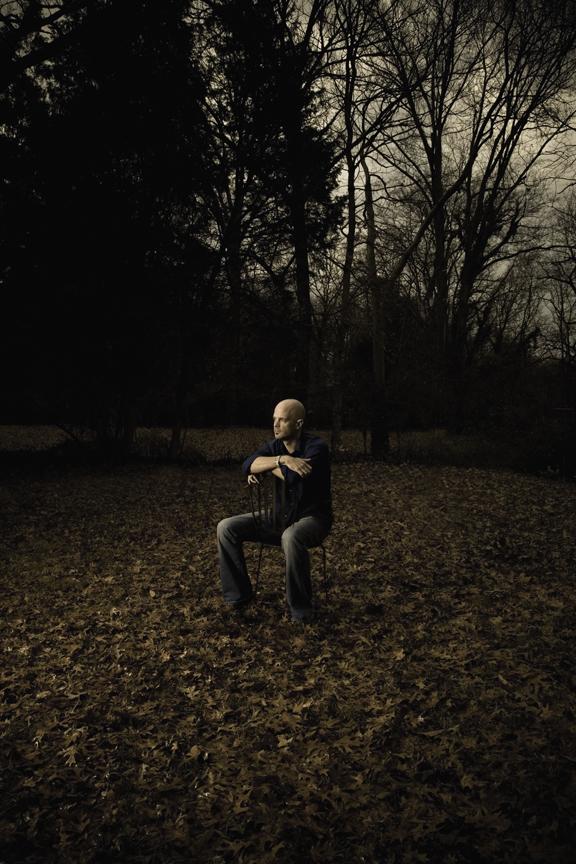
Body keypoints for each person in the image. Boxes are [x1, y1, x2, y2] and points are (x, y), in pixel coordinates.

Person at [217, 399, 332, 623]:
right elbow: (248, 464)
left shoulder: (317, 448)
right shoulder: (276, 446)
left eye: (282, 420)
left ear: (298, 423)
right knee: (226, 527)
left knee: (291, 536)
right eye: (274, 419)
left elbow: (294, 477)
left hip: (313, 519)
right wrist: (282, 460)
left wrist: (267, 467)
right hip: (279, 517)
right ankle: (239, 597)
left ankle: (301, 611)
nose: (275, 425)